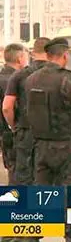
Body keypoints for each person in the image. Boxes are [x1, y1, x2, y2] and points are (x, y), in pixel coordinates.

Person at [25, 38, 71, 242]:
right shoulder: (67, 80)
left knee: (40, 197)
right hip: (66, 147)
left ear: (47, 56)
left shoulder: (31, 79)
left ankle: (32, 238)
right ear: (64, 56)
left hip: (40, 147)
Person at [3, 38, 50, 189]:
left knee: (22, 175)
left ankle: (22, 210)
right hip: (52, 135)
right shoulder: (60, 75)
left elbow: (7, 107)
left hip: (23, 132)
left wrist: (13, 125)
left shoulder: (19, 76)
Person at [0, 44, 28, 186]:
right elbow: (7, 108)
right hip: (16, 131)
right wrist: (13, 125)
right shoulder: (18, 79)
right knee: (20, 174)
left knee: (11, 168)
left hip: (4, 133)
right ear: (19, 58)